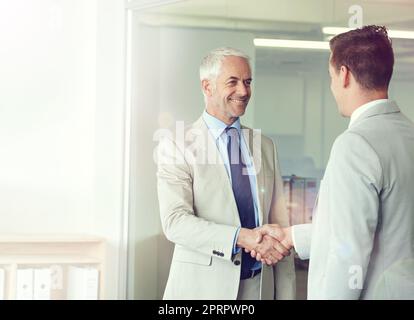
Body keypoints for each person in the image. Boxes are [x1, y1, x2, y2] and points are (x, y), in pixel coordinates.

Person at [255, 25, 414, 299]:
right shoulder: (407, 134)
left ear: (344, 75)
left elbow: (348, 251)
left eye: (330, 76)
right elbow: (375, 228)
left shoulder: (355, 145)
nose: (332, 87)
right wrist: (292, 236)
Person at [156, 47, 296, 300]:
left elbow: (280, 226)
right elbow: (175, 222)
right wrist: (243, 238)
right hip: (203, 291)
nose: (243, 91)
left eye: (247, 82)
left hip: (259, 288)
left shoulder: (265, 146)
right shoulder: (177, 144)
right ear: (207, 87)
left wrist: (286, 295)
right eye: (233, 82)